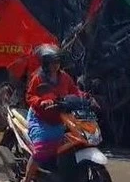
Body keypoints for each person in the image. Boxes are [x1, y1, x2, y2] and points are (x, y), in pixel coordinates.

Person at [23, 44, 94, 182]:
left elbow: (75, 91)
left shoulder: (64, 77)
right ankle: (26, 178)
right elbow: (30, 96)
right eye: (52, 62)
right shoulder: (38, 78)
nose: (56, 65)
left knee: (71, 142)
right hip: (41, 118)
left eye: (57, 62)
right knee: (41, 149)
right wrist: (41, 102)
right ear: (46, 63)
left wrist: (87, 98)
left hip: (60, 116)